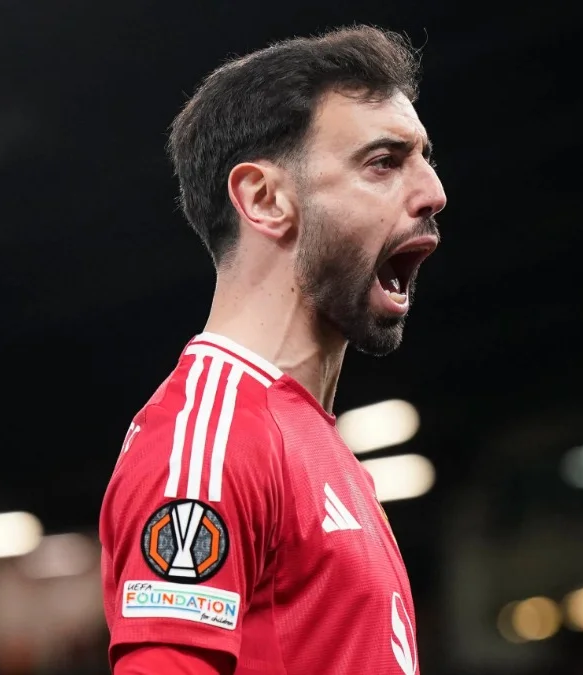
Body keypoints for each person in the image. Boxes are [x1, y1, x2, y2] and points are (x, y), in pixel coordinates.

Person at [99, 25, 447, 675]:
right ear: (264, 199)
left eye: (425, 158)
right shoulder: (208, 443)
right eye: (383, 162)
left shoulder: (318, 447)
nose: (433, 191)